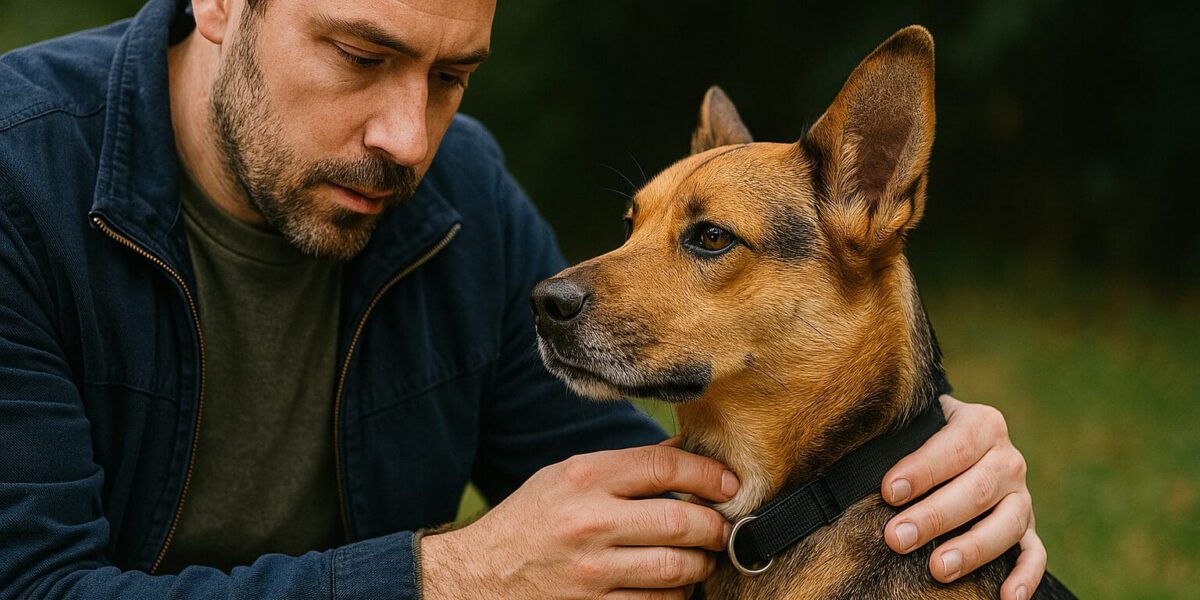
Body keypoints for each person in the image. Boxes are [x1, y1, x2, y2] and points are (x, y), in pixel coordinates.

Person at [0, 0, 1045, 598]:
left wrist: (933, 465)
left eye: (452, 76)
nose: (408, 138)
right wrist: (451, 576)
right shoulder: (19, 184)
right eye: (361, 55)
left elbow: (629, 499)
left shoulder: (458, 196)